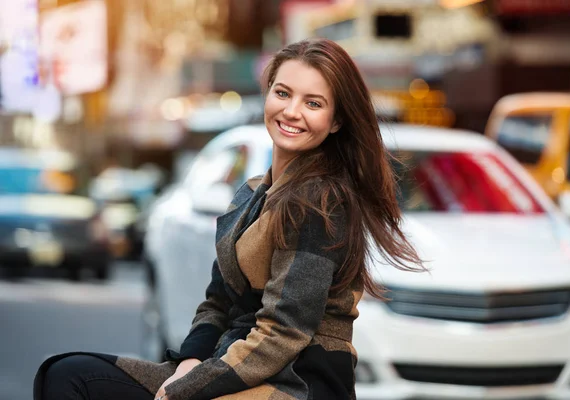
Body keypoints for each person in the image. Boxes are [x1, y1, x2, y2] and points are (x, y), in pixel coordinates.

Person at [33, 38, 424, 400]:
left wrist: (186, 389)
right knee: (68, 375)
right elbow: (217, 302)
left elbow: (284, 333)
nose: (291, 111)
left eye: (313, 103)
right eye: (283, 93)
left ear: (336, 121)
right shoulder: (253, 191)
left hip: (297, 381)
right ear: (267, 94)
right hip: (234, 364)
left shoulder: (322, 202)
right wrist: (187, 366)